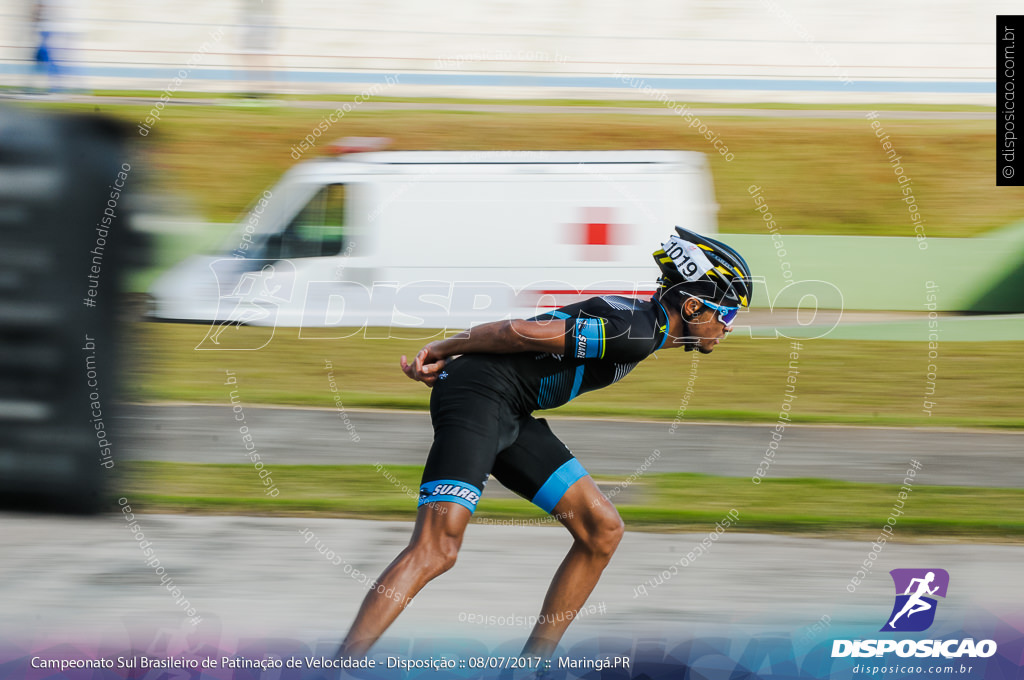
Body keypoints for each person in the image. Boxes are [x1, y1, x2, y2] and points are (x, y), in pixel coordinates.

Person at [338, 226, 753, 659]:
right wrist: (443, 349)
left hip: (506, 405)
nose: (727, 328)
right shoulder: (635, 333)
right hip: (481, 396)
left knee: (602, 530)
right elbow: (514, 333)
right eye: (725, 315)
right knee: (436, 548)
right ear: (691, 305)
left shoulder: (640, 323)